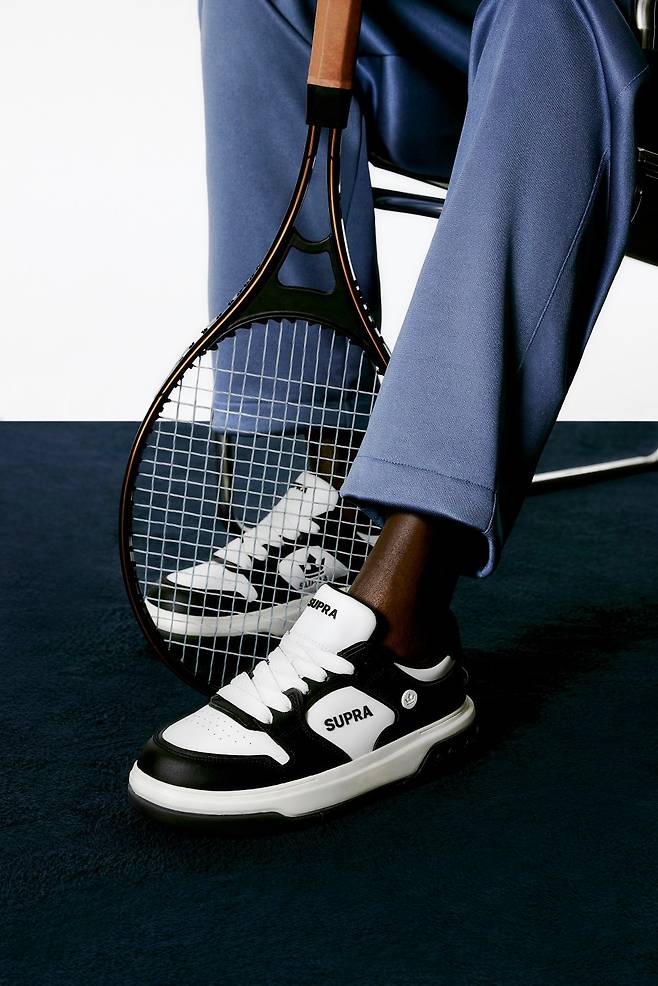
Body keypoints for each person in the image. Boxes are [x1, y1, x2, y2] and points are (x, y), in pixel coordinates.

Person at [127, 0, 648, 822]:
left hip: (590, 59)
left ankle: (403, 640)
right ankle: (346, 509)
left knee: (548, 9)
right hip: (483, 60)